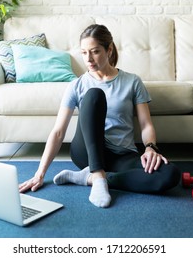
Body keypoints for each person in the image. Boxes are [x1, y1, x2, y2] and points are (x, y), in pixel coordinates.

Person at [19, 24, 181, 208]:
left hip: (122, 155)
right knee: (94, 95)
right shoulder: (77, 85)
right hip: (87, 152)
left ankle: (91, 178)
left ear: (109, 49)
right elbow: (58, 132)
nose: (88, 59)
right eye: (84, 52)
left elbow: (145, 124)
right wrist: (39, 173)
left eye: (95, 52)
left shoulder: (132, 81)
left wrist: (151, 148)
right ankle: (97, 174)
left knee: (171, 174)